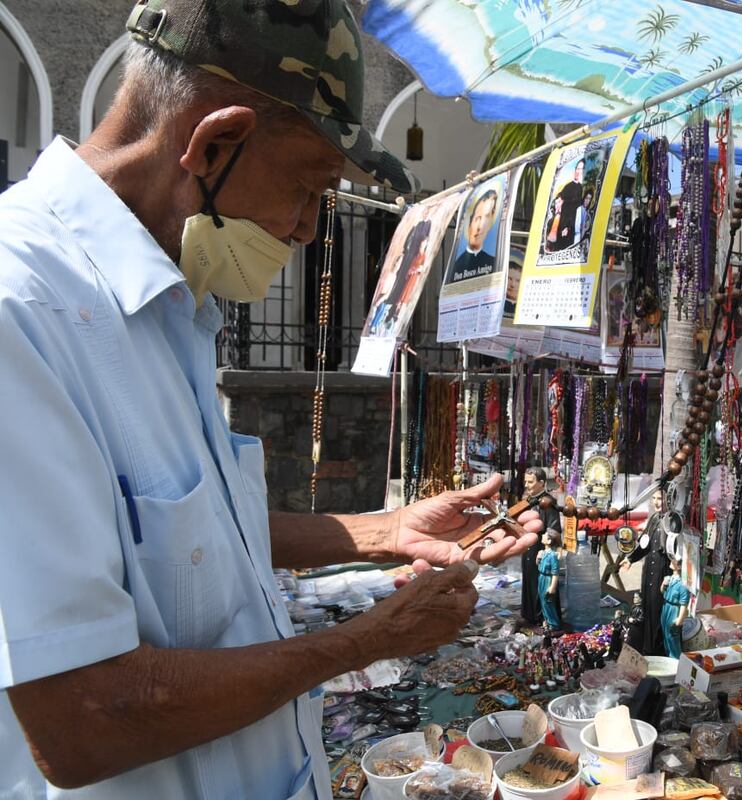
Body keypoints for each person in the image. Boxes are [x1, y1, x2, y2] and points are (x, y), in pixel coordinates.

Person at [0, 2, 542, 797]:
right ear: (214, 143)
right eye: (309, 186)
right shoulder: (23, 310)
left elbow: (191, 536)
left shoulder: (173, 301)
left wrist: (387, 531)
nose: (308, 228)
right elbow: (84, 718)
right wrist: (364, 640)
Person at [618, 488, 673, 655]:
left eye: (660, 498)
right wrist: (630, 559)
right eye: (654, 498)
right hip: (649, 570)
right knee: (646, 606)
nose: (656, 502)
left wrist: (672, 575)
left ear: (669, 499)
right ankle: (647, 648)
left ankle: (656, 650)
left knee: (657, 609)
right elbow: (644, 544)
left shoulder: (672, 521)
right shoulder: (654, 518)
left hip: (662, 572)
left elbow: (676, 551)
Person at [520, 467, 561, 626]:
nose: (526, 485)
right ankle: (528, 614)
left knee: (541, 584)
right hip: (527, 547)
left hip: (540, 549)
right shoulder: (527, 499)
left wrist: (546, 549)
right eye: (525, 481)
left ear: (541, 483)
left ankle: (542, 618)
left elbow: (554, 528)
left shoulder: (548, 503)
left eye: (530, 482)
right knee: (528, 580)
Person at [447, 189, 499, 283]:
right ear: (469, 224)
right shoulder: (456, 266)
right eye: (477, 218)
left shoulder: (494, 262)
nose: (480, 227)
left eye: (486, 217)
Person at [659, 550, 691, 659]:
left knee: (672, 636)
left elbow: (684, 603)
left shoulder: (683, 584)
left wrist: (680, 619)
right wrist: (663, 585)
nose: (671, 561)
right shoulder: (669, 578)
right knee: (665, 634)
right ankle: (668, 656)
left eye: (674, 560)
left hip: (674, 610)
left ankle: (675, 659)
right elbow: (662, 592)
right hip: (666, 606)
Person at [537, 531, 565, 631]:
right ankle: (547, 621)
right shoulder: (543, 552)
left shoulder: (553, 555)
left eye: (545, 535)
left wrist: (552, 587)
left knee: (547, 602)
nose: (542, 535)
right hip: (541, 577)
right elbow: (538, 565)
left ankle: (554, 624)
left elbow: (555, 572)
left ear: (549, 541)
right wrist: (538, 558)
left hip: (548, 579)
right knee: (542, 601)